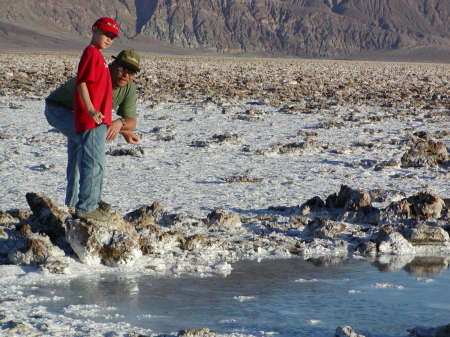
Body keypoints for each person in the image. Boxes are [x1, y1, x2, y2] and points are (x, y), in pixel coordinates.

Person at [44, 18, 132, 221]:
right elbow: (82, 83)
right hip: (91, 120)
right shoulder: (91, 53)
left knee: (96, 162)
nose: (109, 39)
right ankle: (86, 208)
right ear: (94, 30)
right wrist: (91, 110)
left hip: (99, 121)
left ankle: (93, 202)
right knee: (92, 162)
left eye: (112, 37)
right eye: (105, 34)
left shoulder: (99, 57)